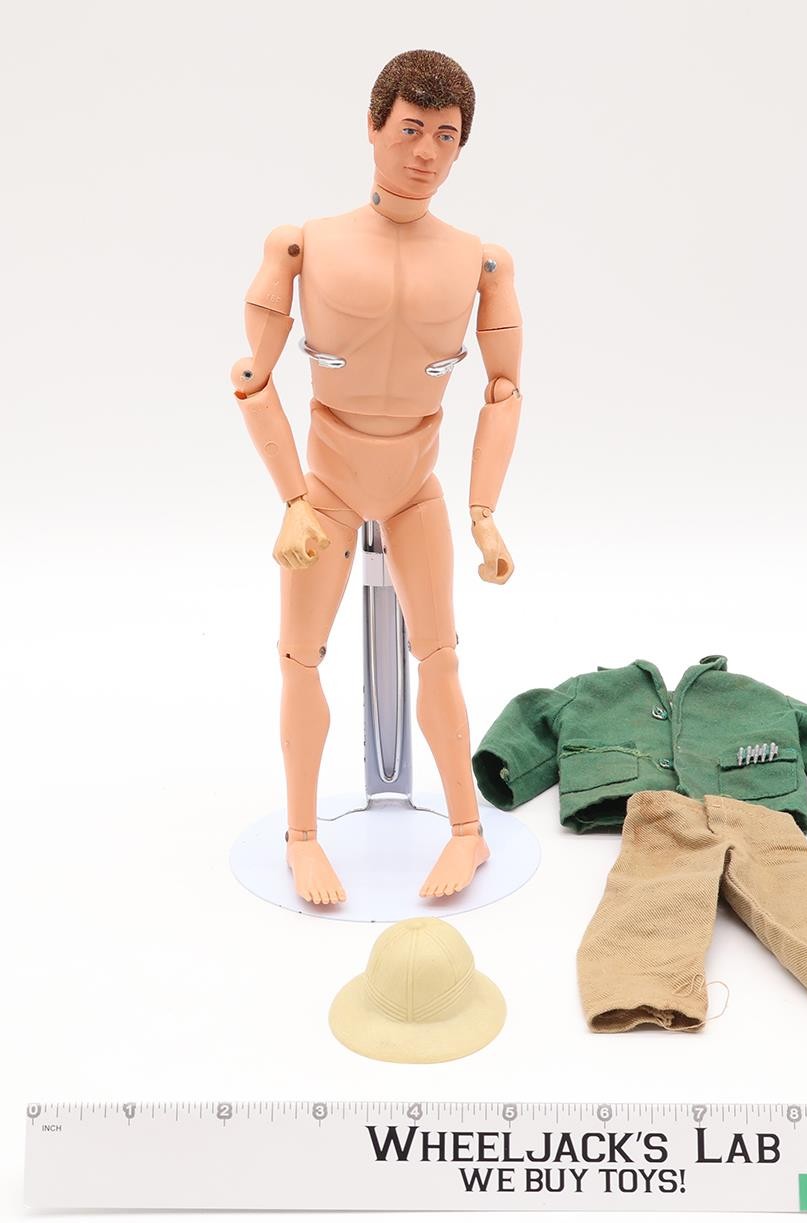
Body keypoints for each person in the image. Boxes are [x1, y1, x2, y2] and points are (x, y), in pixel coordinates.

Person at [231, 50, 522, 904]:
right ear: (373, 127)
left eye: (446, 136)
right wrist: (291, 497)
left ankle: (467, 832)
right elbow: (251, 378)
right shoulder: (305, 245)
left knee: (441, 657)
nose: (425, 152)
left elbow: (503, 389)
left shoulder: (480, 262)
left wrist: (483, 511)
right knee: (299, 657)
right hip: (325, 485)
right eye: (410, 128)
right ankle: (301, 837)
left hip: (416, 485)